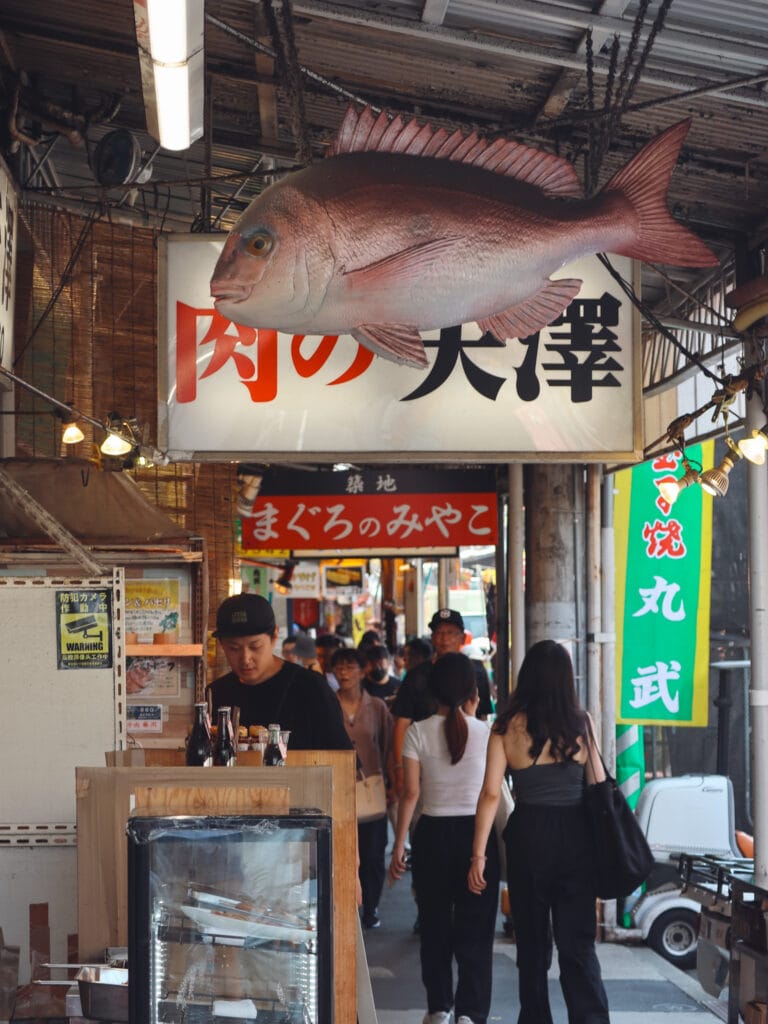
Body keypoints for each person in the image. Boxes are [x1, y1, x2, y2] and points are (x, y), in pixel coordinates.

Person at [468, 640, 610, 1024]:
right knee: (577, 944)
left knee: (531, 944)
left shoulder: (505, 727)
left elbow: (491, 793)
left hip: (528, 836)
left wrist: (479, 854)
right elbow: (597, 782)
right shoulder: (582, 722)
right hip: (576, 837)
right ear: (566, 680)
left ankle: (535, 1018)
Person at [389, 653, 499, 1024]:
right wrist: (479, 855)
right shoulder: (488, 734)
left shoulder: (417, 732)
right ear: (472, 691)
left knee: (434, 926)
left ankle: (439, 1008)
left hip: (432, 837)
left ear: (432, 691)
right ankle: (470, 1013)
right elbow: (492, 794)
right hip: (477, 835)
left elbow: (410, 794)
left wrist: (399, 845)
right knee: (477, 930)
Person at [206, 594, 352, 751]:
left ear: (274, 637)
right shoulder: (216, 694)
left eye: (255, 647)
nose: (245, 658)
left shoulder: (311, 689)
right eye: (234, 648)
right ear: (221, 645)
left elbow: (342, 760)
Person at [390, 610, 492, 798]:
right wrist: (399, 769)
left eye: (451, 633)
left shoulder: (476, 672)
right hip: (425, 772)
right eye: (439, 633)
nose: (445, 639)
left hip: (470, 773)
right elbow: (401, 724)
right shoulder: (416, 676)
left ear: (462, 637)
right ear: (432, 638)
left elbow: (483, 719)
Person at [332, 646, 393, 929]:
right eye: (339, 668)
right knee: (343, 850)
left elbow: (389, 746)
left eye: (349, 667)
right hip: (339, 790)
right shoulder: (329, 705)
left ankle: (371, 906)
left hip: (372, 789)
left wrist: (393, 783)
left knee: (373, 851)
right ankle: (348, 905)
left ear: (361, 671)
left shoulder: (377, 707)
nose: (344, 673)